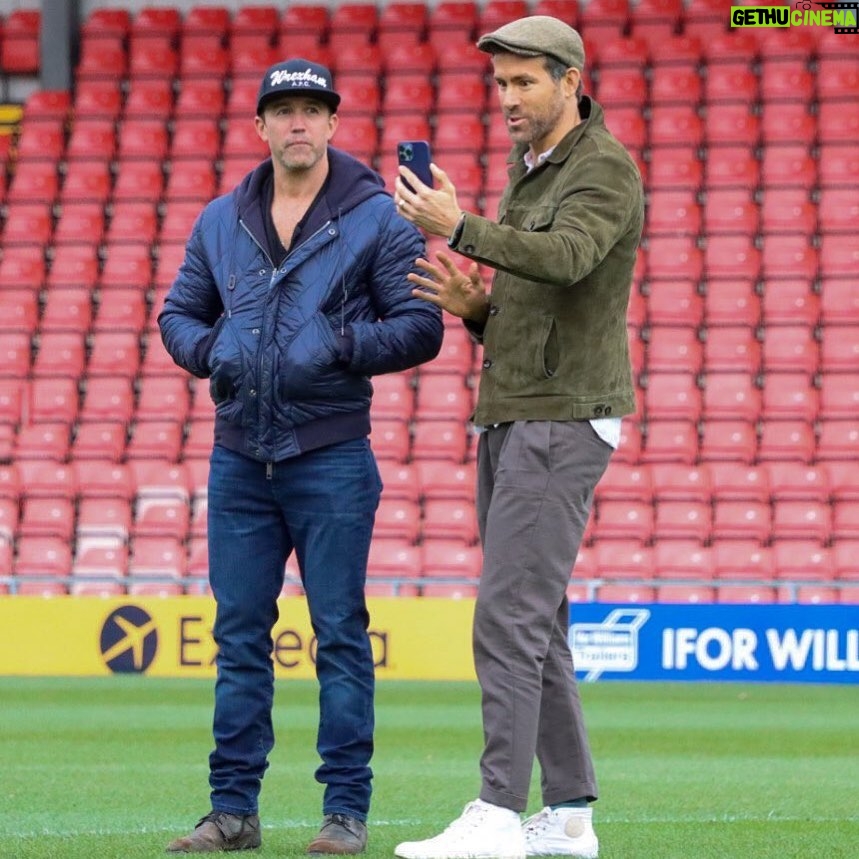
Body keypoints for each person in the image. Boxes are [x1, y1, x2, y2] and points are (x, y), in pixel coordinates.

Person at [159, 58, 443, 854]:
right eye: (281, 110)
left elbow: (422, 326)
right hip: (239, 459)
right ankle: (233, 811)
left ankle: (344, 812)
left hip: (330, 455)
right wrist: (211, 349)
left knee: (340, 633)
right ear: (259, 127)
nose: (296, 123)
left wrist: (341, 343)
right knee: (240, 634)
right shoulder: (221, 218)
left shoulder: (378, 218)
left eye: (310, 110)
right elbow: (177, 312)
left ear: (331, 124)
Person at [392, 16, 644, 859]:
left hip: (560, 415)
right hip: (515, 404)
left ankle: (497, 811)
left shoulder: (602, 169)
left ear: (570, 79)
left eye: (523, 82)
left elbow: (569, 257)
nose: (506, 99)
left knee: (506, 617)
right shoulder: (531, 168)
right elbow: (538, 296)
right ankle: (568, 816)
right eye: (499, 84)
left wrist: (459, 226)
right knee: (538, 625)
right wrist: (478, 310)